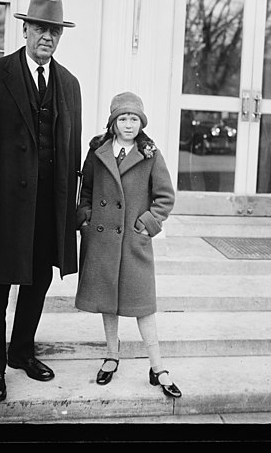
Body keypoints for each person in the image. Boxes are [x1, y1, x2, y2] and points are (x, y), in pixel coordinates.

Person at [0, 0, 82, 402]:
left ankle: (20, 352)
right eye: (41, 28)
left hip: (49, 204)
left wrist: (74, 204)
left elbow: (72, 149)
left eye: (55, 30)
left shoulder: (69, 85)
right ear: (25, 28)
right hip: (3, 202)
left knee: (38, 279)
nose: (47, 36)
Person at [75, 92, 182, 398]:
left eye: (134, 119)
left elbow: (165, 197)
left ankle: (158, 365)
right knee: (107, 300)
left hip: (134, 242)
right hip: (103, 240)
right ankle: (111, 355)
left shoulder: (150, 154)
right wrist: (85, 217)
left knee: (142, 306)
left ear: (141, 122)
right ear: (113, 122)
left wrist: (146, 224)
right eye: (123, 118)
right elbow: (87, 191)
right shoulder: (97, 152)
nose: (129, 124)